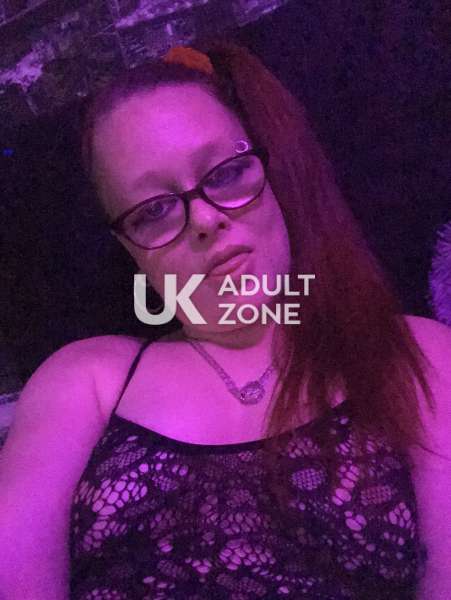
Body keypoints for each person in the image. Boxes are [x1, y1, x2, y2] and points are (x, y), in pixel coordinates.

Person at [0, 39, 450, 600]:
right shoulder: (85, 379)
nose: (205, 220)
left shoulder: (414, 353)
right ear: (131, 249)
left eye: (227, 172)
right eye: (154, 210)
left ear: (273, 173)